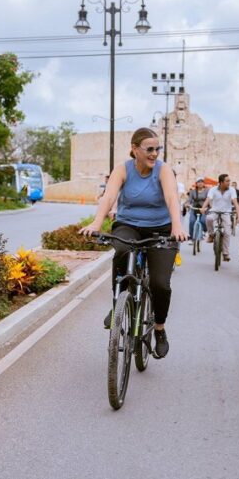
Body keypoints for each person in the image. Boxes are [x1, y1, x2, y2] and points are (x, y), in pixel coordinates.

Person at [81, 127, 188, 358]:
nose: (154, 154)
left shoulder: (163, 170)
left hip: (161, 229)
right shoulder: (123, 169)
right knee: (120, 251)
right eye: (149, 149)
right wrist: (96, 224)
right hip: (129, 225)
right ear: (134, 149)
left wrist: (177, 226)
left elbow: (172, 197)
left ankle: (159, 328)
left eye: (157, 149)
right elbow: (109, 196)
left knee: (160, 284)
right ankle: (118, 303)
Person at [201, 174, 239, 262]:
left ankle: (225, 253)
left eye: (229, 181)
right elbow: (208, 199)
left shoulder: (232, 190)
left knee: (227, 231)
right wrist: (203, 208)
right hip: (214, 211)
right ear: (221, 182)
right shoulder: (213, 189)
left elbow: (235, 202)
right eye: (227, 181)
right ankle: (211, 235)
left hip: (226, 212)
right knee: (208, 219)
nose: (229, 182)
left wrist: (238, 213)